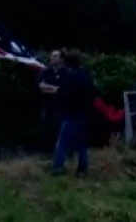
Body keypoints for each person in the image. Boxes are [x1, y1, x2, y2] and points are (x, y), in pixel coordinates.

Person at [47, 49, 96, 177]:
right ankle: (82, 170)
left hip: (70, 113)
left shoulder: (69, 75)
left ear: (66, 62)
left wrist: (55, 91)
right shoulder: (86, 75)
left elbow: (64, 92)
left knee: (62, 142)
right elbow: (93, 92)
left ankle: (57, 167)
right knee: (82, 144)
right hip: (84, 113)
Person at [38, 49, 66, 152]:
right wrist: (54, 88)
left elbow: (63, 89)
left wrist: (49, 88)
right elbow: (41, 87)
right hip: (47, 106)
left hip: (59, 107)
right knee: (46, 128)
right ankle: (46, 150)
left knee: (59, 129)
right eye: (52, 56)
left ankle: (58, 150)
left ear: (61, 59)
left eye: (55, 56)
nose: (52, 58)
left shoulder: (65, 73)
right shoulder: (45, 72)